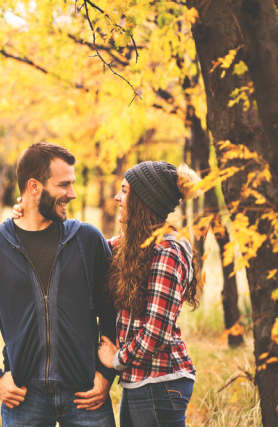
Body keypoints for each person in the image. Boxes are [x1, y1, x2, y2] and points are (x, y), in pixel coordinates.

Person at [0, 142, 117, 426]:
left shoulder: (88, 240)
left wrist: (106, 375)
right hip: (23, 399)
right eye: (64, 185)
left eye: (73, 184)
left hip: (87, 396)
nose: (73, 193)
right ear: (34, 186)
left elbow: (112, 310)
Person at [97, 161, 200, 427]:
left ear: (143, 200)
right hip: (141, 380)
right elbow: (91, 247)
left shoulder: (168, 251)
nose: (118, 197)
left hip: (160, 382)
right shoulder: (136, 244)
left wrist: (116, 359)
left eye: (124, 191)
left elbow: (156, 332)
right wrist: (31, 214)